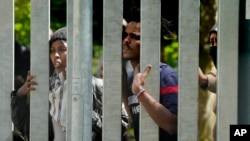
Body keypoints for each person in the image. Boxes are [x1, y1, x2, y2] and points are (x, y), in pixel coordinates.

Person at [11, 27, 128, 141]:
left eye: (62, 49)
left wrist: (85, 115)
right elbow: (28, 130)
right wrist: (20, 94)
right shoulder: (48, 89)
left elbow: (121, 126)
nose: (56, 54)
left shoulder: (97, 86)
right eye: (52, 50)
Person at [121, 10, 178, 141]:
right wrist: (123, 85)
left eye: (135, 37)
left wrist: (140, 93)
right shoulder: (131, 78)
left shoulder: (166, 75)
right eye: (126, 35)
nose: (127, 40)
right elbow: (135, 119)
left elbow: (172, 125)